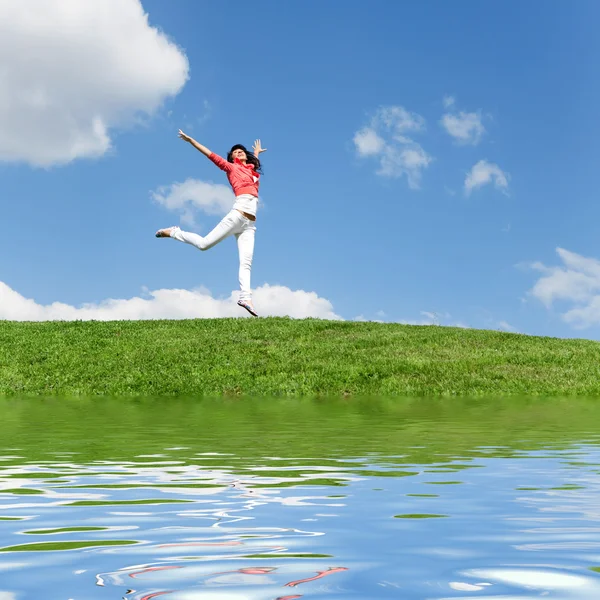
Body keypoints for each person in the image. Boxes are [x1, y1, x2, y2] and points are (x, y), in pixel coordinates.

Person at [156, 130, 267, 317]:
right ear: (231, 158)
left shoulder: (252, 171)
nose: (239, 153)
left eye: (242, 151)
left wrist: (255, 154)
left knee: (246, 262)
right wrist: (191, 140)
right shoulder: (231, 168)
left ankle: (245, 298)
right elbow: (209, 154)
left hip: (249, 225)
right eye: (235, 152)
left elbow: (253, 163)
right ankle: (175, 232)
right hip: (237, 216)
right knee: (203, 245)